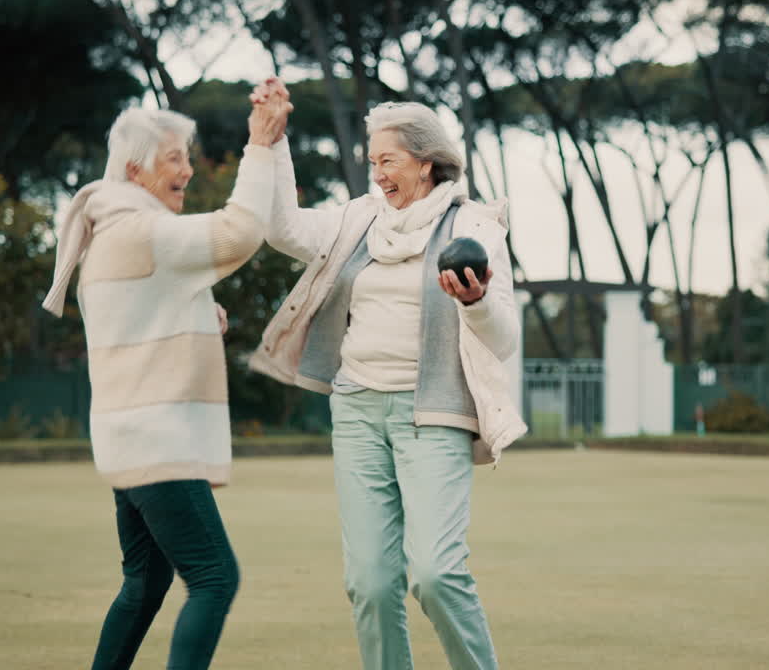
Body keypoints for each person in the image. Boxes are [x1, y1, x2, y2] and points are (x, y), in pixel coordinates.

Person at [243, 83, 527, 670]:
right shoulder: (358, 219)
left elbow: (504, 339)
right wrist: (272, 145)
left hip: (435, 416)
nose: (376, 174)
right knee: (370, 582)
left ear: (425, 162)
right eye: (372, 162)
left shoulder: (474, 226)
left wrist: (474, 303)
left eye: (388, 161)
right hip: (356, 409)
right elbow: (282, 229)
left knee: (437, 573)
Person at [41, 87, 292, 670]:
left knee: (146, 583)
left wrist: (199, 313)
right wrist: (260, 144)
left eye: (186, 157)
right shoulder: (139, 231)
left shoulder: (113, 232)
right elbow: (237, 233)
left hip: (128, 438)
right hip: (158, 441)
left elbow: (141, 317)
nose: (187, 170)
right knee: (214, 577)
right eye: (174, 158)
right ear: (135, 170)